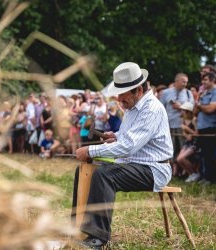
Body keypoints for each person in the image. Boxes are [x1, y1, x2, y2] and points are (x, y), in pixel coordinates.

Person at [71, 62, 173, 249]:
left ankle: (98, 238)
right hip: (137, 164)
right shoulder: (133, 107)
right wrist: (115, 135)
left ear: (139, 90)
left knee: (105, 175)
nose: (119, 98)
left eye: (123, 94)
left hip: (155, 168)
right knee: (83, 170)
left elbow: (128, 146)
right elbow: (130, 135)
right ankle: (75, 227)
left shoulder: (151, 109)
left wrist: (89, 150)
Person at [159, 73, 194, 177]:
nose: (185, 84)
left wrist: (181, 106)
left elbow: (192, 107)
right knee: (170, 148)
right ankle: (173, 172)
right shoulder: (165, 93)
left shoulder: (188, 93)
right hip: (168, 125)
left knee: (182, 148)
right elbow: (160, 108)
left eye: (186, 82)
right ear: (177, 81)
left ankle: (183, 172)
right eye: (183, 81)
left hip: (183, 126)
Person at [194, 72, 216, 185]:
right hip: (202, 128)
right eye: (203, 80)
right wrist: (198, 102)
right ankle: (204, 176)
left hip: (210, 128)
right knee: (202, 154)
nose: (203, 82)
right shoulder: (203, 93)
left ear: (212, 80)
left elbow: (211, 109)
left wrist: (199, 106)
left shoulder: (215, 92)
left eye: (206, 80)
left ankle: (210, 178)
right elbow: (195, 112)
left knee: (210, 155)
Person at [176, 102, 200, 182]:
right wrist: (186, 135)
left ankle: (195, 173)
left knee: (182, 158)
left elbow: (197, 134)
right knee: (179, 159)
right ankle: (192, 174)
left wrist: (187, 129)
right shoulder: (183, 120)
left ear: (188, 111)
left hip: (194, 144)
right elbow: (184, 134)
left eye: (183, 110)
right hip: (187, 143)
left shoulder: (194, 120)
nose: (181, 112)